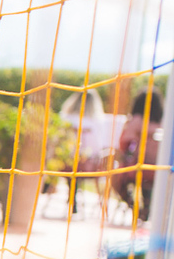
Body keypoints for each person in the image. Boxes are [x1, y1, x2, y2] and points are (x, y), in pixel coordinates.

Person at [111, 89, 164, 221]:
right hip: (160, 169)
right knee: (148, 181)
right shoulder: (164, 123)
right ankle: (146, 208)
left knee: (115, 176)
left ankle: (135, 208)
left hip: (139, 167)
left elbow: (123, 144)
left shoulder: (137, 120)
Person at [58, 89, 110, 215]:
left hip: (67, 164)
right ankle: (73, 199)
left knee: (72, 165)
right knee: (81, 162)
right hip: (90, 166)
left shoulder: (66, 118)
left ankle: (72, 197)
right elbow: (99, 146)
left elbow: (59, 142)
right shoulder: (98, 121)